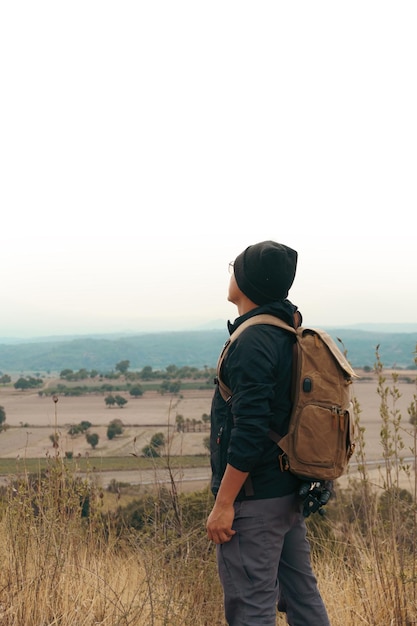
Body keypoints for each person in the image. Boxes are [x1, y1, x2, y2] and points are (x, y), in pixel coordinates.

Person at [206, 240, 330, 626]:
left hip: (255, 498)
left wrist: (225, 502)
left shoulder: (253, 340)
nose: (230, 274)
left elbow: (250, 430)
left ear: (247, 282)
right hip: (285, 492)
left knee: (251, 609)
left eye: (234, 267)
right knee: (302, 599)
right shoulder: (286, 330)